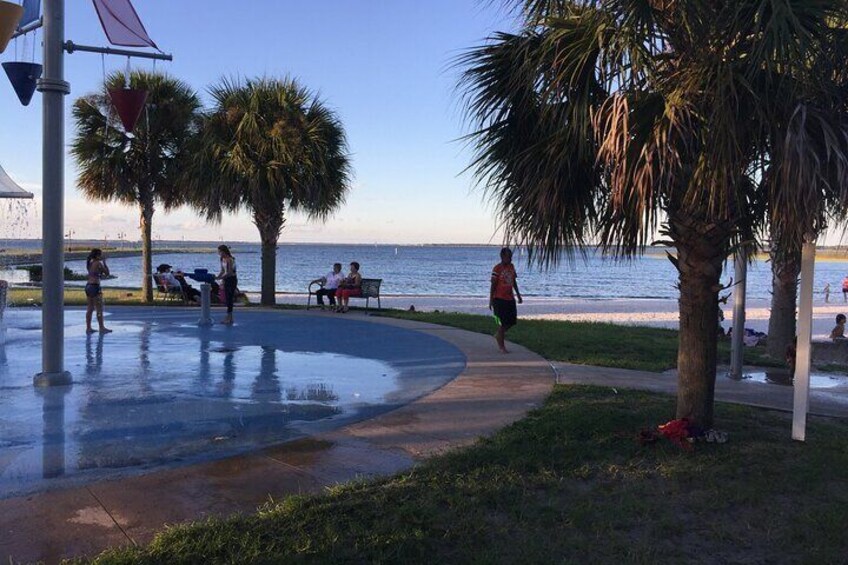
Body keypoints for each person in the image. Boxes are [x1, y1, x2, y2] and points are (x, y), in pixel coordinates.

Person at [489, 247, 522, 353]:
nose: (510, 259)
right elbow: (493, 285)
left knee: (512, 321)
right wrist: (491, 300)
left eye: (511, 257)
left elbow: (514, 281)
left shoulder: (512, 267)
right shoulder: (497, 269)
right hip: (499, 299)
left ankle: (498, 334)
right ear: (502, 257)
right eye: (508, 257)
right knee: (501, 323)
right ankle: (502, 346)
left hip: (510, 298)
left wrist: (518, 295)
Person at [85, 248, 112, 334]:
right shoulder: (98, 263)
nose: (102, 256)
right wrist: (104, 262)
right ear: (97, 255)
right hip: (95, 287)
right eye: (101, 255)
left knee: (90, 308)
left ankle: (88, 328)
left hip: (88, 286)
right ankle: (102, 327)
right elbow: (107, 273)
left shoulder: (90, 263)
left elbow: (95, 274)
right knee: (99, 309)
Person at [216, 245, 238, 325]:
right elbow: (222, 270)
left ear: (224, 251)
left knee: (229, 298)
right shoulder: (222, 259)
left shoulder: (230, 260)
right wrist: (217, 277)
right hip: (226, 279)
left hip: (231, 279)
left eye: (220, 252)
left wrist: (221, 278)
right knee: (227, 298)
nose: (219, 253)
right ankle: (229, 317)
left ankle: (229, 317)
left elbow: (230, 272)